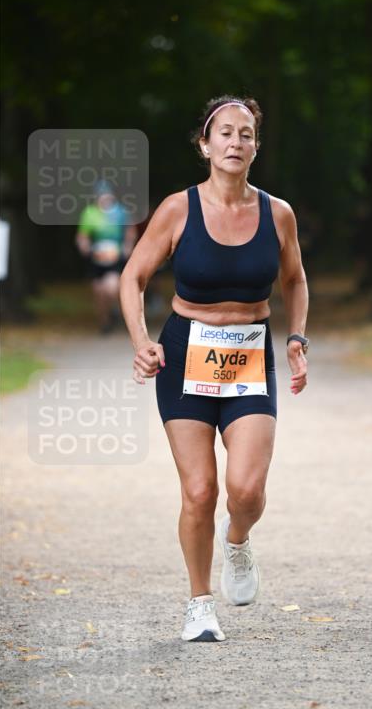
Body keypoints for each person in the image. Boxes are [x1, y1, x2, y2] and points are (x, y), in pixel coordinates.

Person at [120, 96, 308, 641]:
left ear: (255, 146)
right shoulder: (178, 210)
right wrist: (141, 341)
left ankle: (238, 540)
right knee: (200, 489)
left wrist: (296, 337)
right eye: (224, 133)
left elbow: (294, 279)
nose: (235, 143)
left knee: (245, 490)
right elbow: (133, 277)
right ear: (205, 145)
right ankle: (199, 603)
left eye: (245, 134)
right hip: (185, 354)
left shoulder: (278, 213)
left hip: (250, 355)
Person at [76, 181, 136, 333]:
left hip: (114, 258)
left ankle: (114, 309)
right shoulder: (90, 213)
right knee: (98, 293)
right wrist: (84, 246)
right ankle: (105, 322)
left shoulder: (121, 212)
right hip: (96, 259)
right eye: (101, 195)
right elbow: (82, 235)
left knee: (112, 288)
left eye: (107, 195)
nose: (104, 198)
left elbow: (130, 231)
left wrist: (127, 247)